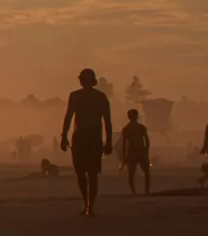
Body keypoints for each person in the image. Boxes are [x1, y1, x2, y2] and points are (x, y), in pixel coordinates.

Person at [58, 67, 114, 217]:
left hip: (94, 139)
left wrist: (109, 142)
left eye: (84, 78)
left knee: (92, 173)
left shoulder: (100, 97)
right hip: (79, 138)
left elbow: (107, 121)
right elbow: (68, 117)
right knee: (80, 173)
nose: (81, 80)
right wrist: (63, 136)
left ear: (91, 80)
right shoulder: (75, 96)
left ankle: (90, 205)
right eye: (81, 78)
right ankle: (86, 202)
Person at [119, 109, 152, 195]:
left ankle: (136, 192)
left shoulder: (127, 128)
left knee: (132, 174)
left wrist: (124, 155)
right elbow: (147, 142)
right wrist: (146, 151)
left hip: (134, 152)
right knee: (143, 172)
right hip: (137, 152)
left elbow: (124, 144)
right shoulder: (139, 128)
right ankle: (145, 191)